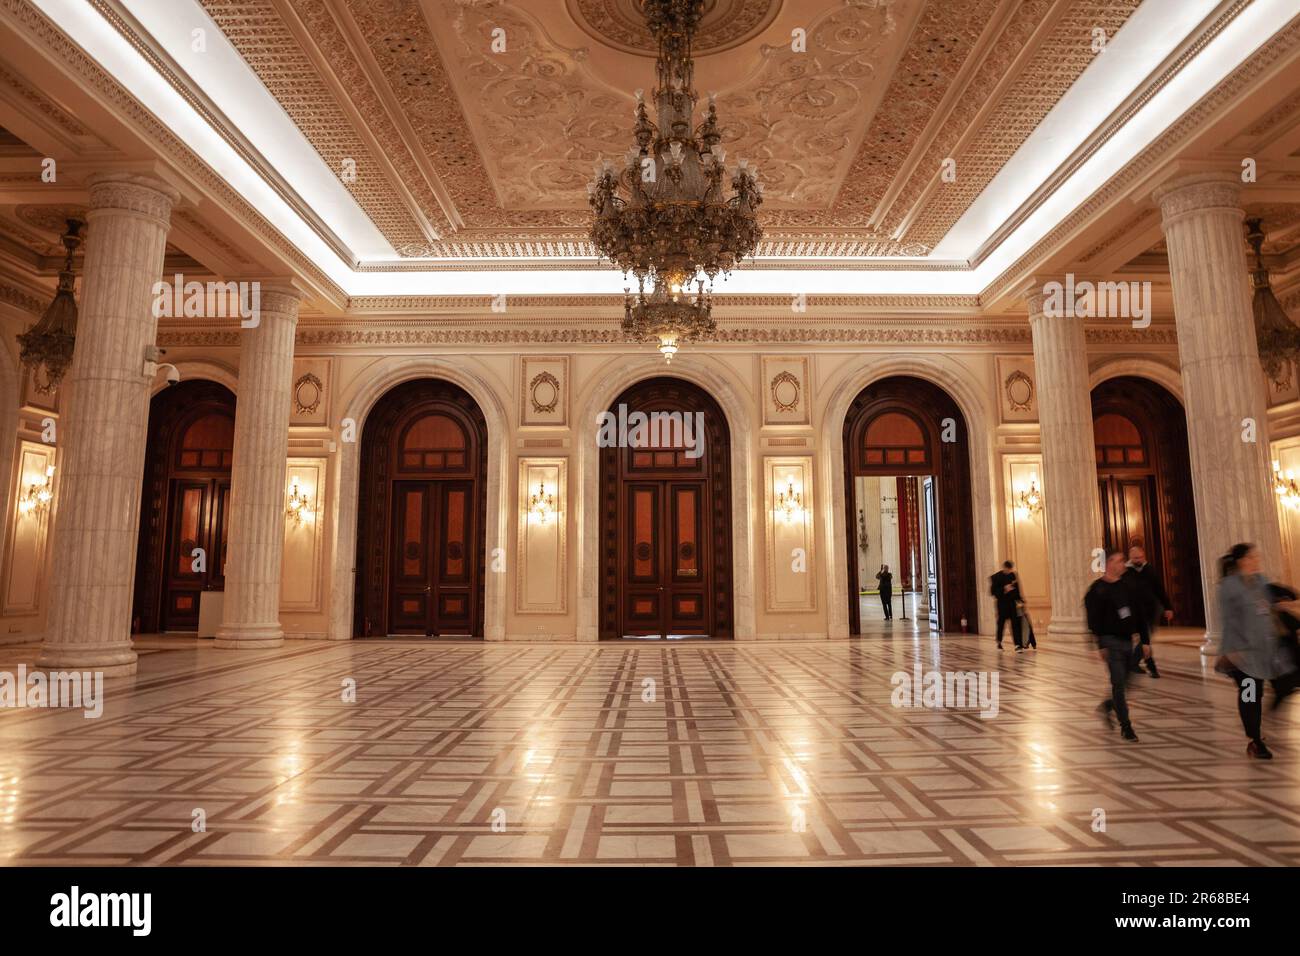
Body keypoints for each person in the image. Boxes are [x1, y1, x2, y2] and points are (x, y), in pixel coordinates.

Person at [1216, 543, 1297, 759]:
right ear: (1242, 560)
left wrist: (1285, 606)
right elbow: (1228, 620)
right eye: (1252, 557)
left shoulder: (1260, 581)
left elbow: (1268, 606)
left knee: (1259, 694)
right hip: (1242, 655)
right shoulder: (1229, 586)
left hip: (1265, 651)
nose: (1256, 560)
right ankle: (1255, 741)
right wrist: (1233, 650)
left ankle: (1256, 732)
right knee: (1250, 695)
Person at [1086, 549, 1148, 742]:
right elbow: (1092, 620)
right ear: (1109, 563)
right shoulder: (1097, 589)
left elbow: (1139, 613)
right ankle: (1126, 726)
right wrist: (1098, 645)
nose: (1123, 564)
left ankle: (1107, 706)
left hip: (1128, 641)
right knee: (1119, 683)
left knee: (1128, 682)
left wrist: (1145, 640)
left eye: (1123, 561)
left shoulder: (1128, 586)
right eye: (1120, 561)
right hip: (1110, 642)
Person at [1122, 544, 1172, 678]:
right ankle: (1149, 666)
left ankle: (1138, 664)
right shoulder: (1125, 572)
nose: (1138, 560)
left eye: (1140, 557)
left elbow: (1159, 589)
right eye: (1135, 558)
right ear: (1130, 558)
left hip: (1150, 610)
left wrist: (1168, 607)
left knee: (1146, 638)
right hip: (1134, 612)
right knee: (1145, 639)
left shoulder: (1149, 569)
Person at [990, 561, 1024, 651]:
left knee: (1015, 624)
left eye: (1010, 569)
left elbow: (1017, 589)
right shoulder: (996, 577)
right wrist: (1004, 589)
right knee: (1001, 624)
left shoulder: (1013, 575)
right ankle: (999, 643)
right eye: (1008, 569)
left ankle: (1017, 644)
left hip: (1012, 604)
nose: (1009, 571)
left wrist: (1020, 600)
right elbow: (993, 592)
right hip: (1002, 604)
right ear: (1004, 568)